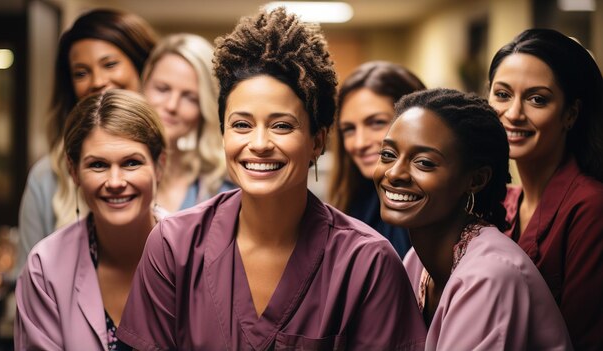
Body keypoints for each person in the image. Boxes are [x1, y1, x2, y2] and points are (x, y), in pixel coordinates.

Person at [116, 7, 427, 350]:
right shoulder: (174, 247)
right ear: (223, 135)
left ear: (317, 141)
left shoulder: (367, 263)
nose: (260, 144)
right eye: (241, 125)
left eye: (282, 125)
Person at [374, 88, 572, 350]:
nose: (395, 173)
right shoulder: (416, 262)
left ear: (476, 180)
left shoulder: (490, 277)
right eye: (388, 155)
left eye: (424, 162)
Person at [15, 89, 166, 349]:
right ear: (73, 172)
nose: (116, 182)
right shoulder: (45, 269)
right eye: (98, 165)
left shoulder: (197, 257)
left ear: (160, 166)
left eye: (131, 163)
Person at [16, 8, 157, 275]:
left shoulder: (192, 168)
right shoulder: (47, 177)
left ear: (142, 67)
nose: (98, 81)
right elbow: (25, 283)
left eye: (110, 64)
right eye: (81, 73)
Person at [488, 28, 603, 349]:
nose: (513, 113)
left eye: (537, 99)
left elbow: (581, 340)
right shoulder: (503, 202)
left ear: (570, 114)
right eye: (502, 94)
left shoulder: (590, 207)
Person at [329, 61, 425, 258]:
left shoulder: (430, 209)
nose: (359, 143)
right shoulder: (353, 204)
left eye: (376, 123)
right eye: (349, 129)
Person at [142, 33, 233, 212]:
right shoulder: (110, 174)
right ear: (144, 86)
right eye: (162, 89)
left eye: (189, 97)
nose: (172, 105)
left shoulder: (221, 188)